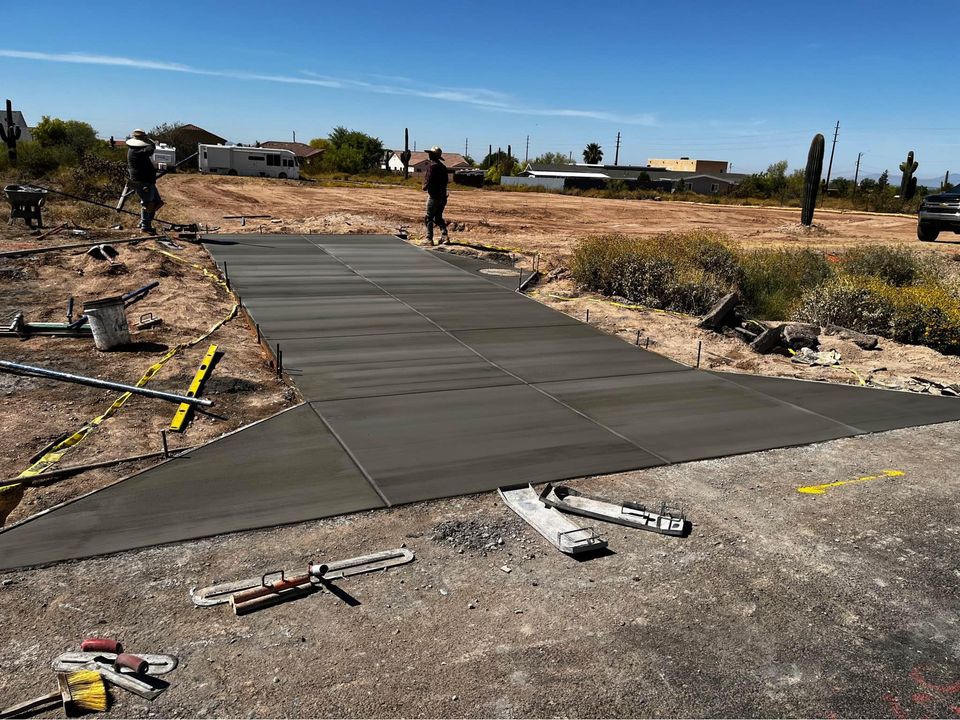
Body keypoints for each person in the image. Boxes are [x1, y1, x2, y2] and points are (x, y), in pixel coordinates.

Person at [126, 129, 164, 234]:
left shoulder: (135, 149)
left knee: (156, 202)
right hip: (142, 181)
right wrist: (151, 141)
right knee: (148, 203)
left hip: (147, 181)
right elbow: (150, 150)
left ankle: (146, 222)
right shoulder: (136, 151)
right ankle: (145, 225)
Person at [422, 146, 449, 245]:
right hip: (443, 196)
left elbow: (428, 180)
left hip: (434, 196)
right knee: (438, 218)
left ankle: (429, 239)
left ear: (432, 155)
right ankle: (445, 236)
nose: (428, 155)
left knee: (429, 217)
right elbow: (446, 182)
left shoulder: (432, 166)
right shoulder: (443, 167)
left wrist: (424, 187)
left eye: (430, 153)